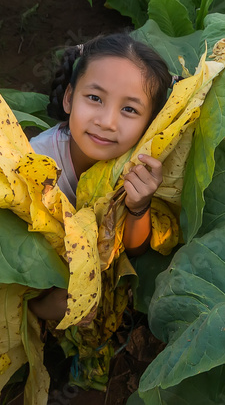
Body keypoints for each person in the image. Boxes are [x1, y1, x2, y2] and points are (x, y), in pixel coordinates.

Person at [27, 33, 172, 321]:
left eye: (129, 109)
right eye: (95, 98)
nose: (107, 122)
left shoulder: (137, 166)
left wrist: (139, 205)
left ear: (150, 124)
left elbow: (134, 249)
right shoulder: (38, 162)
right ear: (69, 98)